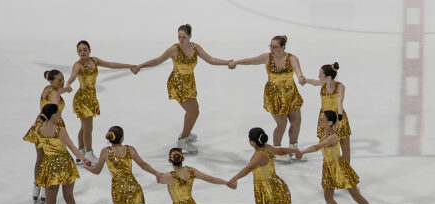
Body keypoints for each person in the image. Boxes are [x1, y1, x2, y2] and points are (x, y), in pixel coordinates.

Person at [132, 24, 231, 154]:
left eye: (184, 37)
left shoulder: (196, 48)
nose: (181, 39)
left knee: (193, 111)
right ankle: (183, 140)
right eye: (179, 37)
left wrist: (227, 62)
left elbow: (210, 59)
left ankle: (186, 133)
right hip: (177, 84)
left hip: (189, 83)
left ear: (190, 36)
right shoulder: (174, 49)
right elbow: (157, 60)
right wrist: (140, 66)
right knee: (194, 112)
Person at [297, 111, 388, 204]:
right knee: (328, 199)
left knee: (357, 197)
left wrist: (302, 151)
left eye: (322, 120)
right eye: (319, 118)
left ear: (329, 123)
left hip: (340, 168)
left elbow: (317, 147)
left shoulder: (333, 137)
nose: (319, 121)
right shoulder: (324, 131)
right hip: (328, 168)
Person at [228, 35, 305, 162]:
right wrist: (236, 62)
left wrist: (301, 77)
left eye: (275, 47)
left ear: (283, 47)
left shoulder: (291, 58)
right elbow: (251, 60)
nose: (272, 49)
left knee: (296, 122)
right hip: (274, 95)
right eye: (271, 46)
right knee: (281, 124)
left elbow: (297, 69)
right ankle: (278, 150)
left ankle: (293, 148)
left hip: (290, 94)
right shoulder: (267, 57)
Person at [64, 40, 135, 163]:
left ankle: (81, 152)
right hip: (82, 99)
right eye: (80, 50)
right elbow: (73, 75)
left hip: (91, 97)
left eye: (85, 50)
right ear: (77, 52)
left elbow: (111, 65)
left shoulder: (94, 60)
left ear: (89, 50)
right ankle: (89, 153)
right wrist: (68, 84)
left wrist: (128, 65)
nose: (82, 52)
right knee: (88, 128)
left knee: (84, 127)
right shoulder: (78, 65)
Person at [31, 103, 88, 204]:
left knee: (51, 202)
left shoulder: (38, 130)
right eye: (58, 113)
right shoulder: (59, 130)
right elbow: (72, 147)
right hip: (64, 165)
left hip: (50, 166)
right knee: (69, 197)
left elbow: (40, 150)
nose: (60, 116)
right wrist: (83, 158)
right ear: (53, 115)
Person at [23, 69, 71, 204]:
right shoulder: (55, 94)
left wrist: (66, 89)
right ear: (52, 81)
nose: (62, 82)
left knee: (40, 158)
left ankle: (37, 186)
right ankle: (46, 186)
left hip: (39, 125)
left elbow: (57, 92)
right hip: (51, 127)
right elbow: (53, 110)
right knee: (50, 158)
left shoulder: (48, 89)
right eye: (59, 80)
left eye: (62, 79)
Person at [302, 62, 352, 161]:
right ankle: (331, 170)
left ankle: (346, 173)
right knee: (326, 147)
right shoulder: (322, 83)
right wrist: (305, 80)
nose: (318, 76)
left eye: (321, 74)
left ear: (328, 77)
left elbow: (340, 101)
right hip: (325, 118)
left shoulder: (340, 87)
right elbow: (315, 82)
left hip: (338, 116)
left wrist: (339, 118)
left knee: (345, 146)